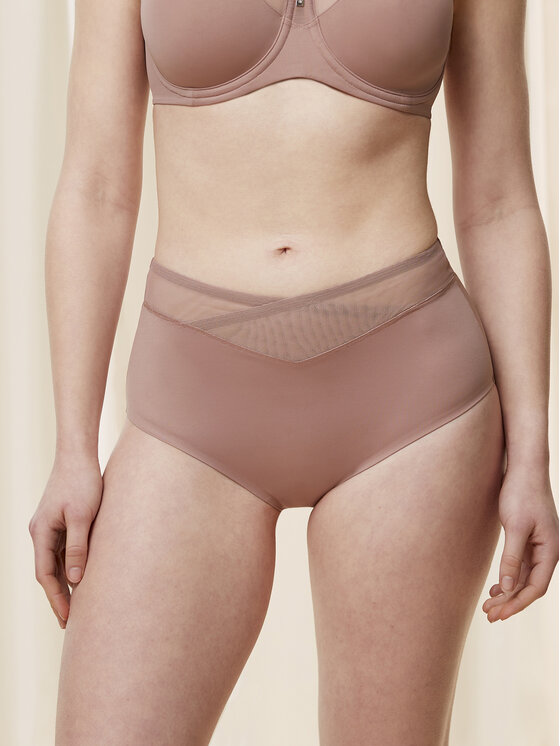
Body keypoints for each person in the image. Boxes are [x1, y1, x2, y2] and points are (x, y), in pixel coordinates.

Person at [28, 0, 558, 743]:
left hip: (410, 398)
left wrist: (530, 455)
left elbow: (499, 202)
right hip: (191, 403)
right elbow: (95, 189)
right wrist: (73, 448)